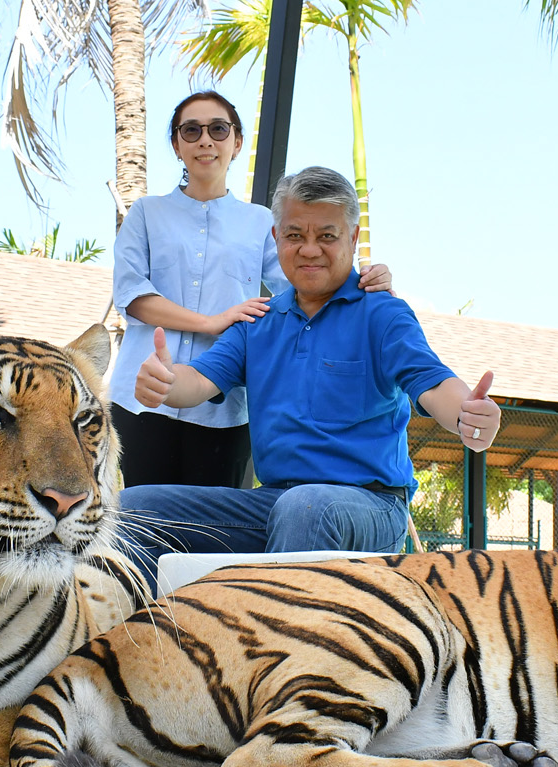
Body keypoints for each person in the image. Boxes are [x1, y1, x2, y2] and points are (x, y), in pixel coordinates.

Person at [121, 166, 501, 591]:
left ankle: (277, 654)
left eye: (327, 235)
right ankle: (149, 646)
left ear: (353, 239)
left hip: (371, 507)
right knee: (132, 507)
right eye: (295, 235)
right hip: (275, 503)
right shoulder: (258, 320)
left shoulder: (383, 313)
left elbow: (432, 384)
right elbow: (200, 381)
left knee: (305, 509)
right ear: (276, 237)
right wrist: (166, 381)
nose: (309, 249)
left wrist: (467, 413)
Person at [109, 91, 392, 488]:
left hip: (224, 405)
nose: (205, 140)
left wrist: (371, 281)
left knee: (214, 539)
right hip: (143, 397)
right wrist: (211, 322)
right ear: (176, 145)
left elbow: (306, 281)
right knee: (141, 520)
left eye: (218, 129)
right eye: (191, 130)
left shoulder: (261, 222)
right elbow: (132, 295)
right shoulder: (144, 213)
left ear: (237, 142)